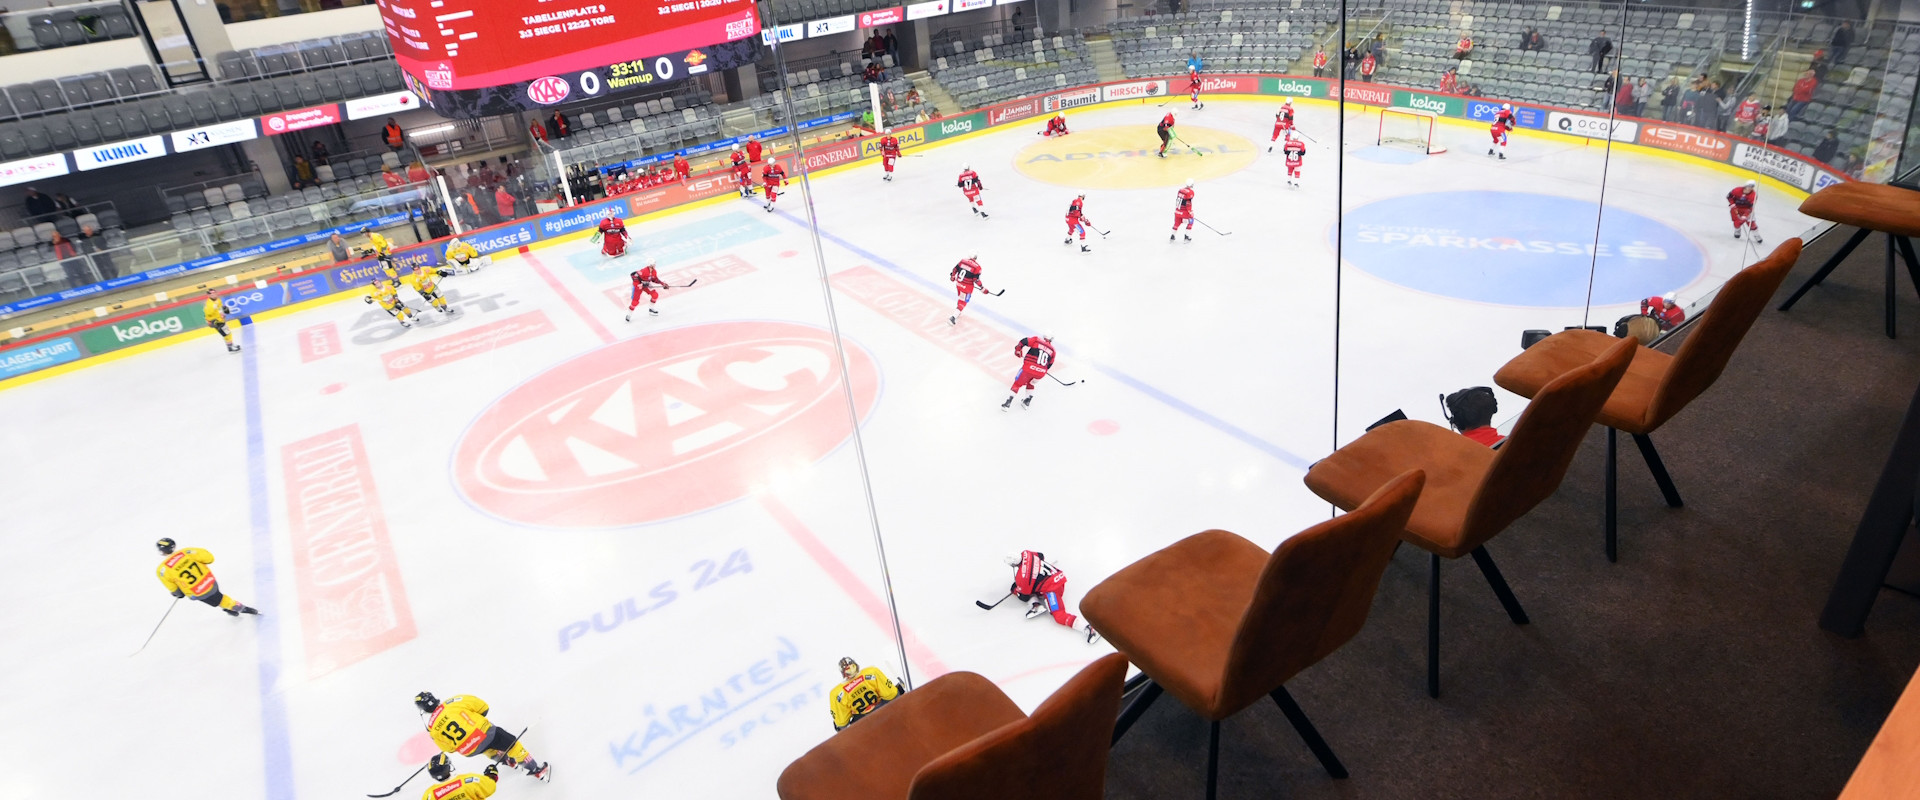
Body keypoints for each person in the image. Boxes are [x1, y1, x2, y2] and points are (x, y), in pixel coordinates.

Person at [415, 692, 552, 780]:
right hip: (485, 733)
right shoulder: (452, 702)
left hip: (468, 750)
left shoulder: (432, 729)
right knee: (512, 745)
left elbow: (449, 749)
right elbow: (483, 707)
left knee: (486, 748)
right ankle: (536, 770)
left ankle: (507, 761)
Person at [1003, 550, 1099, 642]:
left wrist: (1015, 590)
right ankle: (1036, 605)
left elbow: (1024, 596)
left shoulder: (1021, 577)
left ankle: (1089, 628)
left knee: (1059, 616)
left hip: (1052, 589)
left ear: (1012, 564)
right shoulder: (1026, 553)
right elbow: (1041, 556)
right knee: (1032, 587)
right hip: (1058, 576)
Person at [155, 538, 258, 616]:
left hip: (196, 592)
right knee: (216, 596)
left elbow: (174, 589)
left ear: (161, 551)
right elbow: (209, 558)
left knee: (217, 600)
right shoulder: (187, 552)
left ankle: (236, 607)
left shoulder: (162, 570)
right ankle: (227, 607)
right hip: (210, 582)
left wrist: (179, 594)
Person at [829, 657, 903, 731]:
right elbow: (892, 695)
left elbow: (842, 724)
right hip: (883, 711)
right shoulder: (872, 672)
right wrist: (899, 690)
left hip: (862, 724)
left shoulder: (836, 694)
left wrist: (839, 726)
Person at [1003, 334, 1057, 412]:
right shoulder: (1053, 350)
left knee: (1017, 384)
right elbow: (1050, 364)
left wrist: (1018, 349)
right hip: (1041, 373)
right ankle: (1027, 401)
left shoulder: (1037, 340)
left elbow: (1023, 341)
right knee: (1031, 383)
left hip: (1028, 368)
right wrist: (1040, 369)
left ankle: (1007, 403)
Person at [420, 754, 497, 800]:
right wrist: (491, 775)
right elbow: (490, 787)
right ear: (448, 767)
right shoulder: (469, 780)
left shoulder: (429, 794)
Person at [949, 253, 988, 326]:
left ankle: (958, 311)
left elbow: (954, 270)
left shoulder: (963, 261)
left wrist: (952, 277)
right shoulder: (977, 267)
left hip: (958, 284)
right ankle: (953, 317)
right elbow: (976, 280)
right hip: (967, 288)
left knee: (961, 298)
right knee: (963, 301)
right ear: (976, 257)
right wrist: (982, 288)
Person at [202, 288, 241, 352]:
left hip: (220, 319)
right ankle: (230, 347)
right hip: (215, 322)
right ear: (208, 295)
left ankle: (230, 346)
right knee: (226, 334)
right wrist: (210, 322)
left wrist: (222, 313)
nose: (214, 295)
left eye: (214, 293)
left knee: (227, 333)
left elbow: (219, 308)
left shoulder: (218, 300)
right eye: (212, 294)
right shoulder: (210, 305)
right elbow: (207, 315)